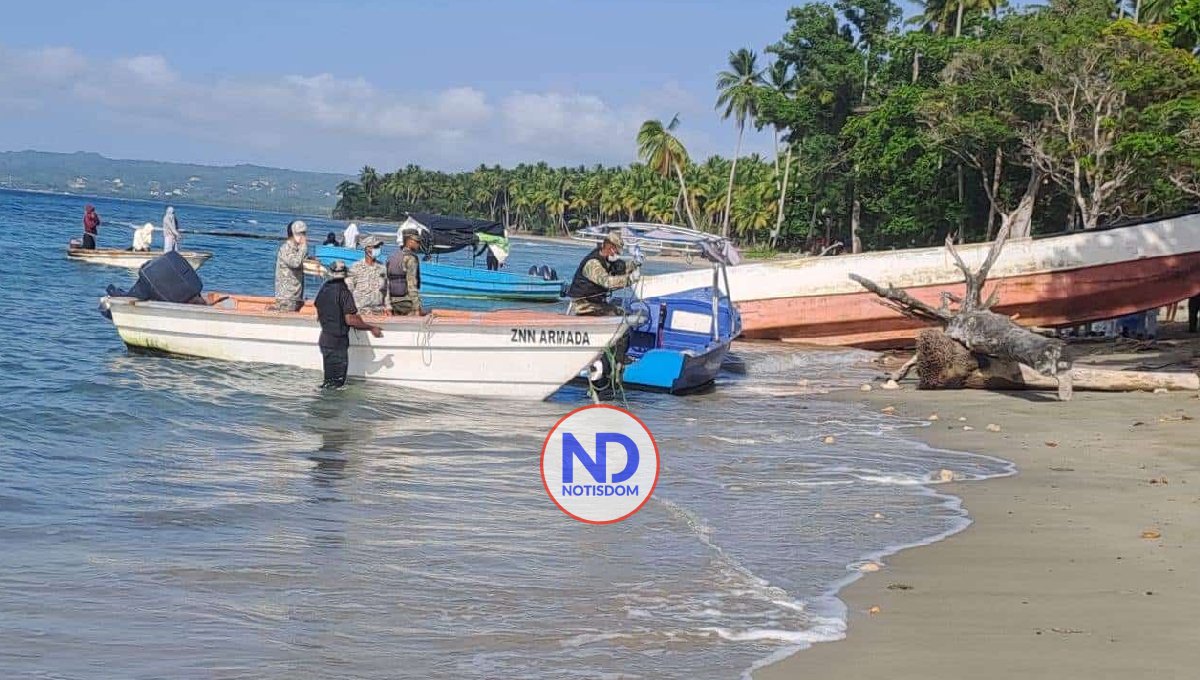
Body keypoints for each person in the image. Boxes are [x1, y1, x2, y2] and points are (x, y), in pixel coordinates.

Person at [314, 259, 383, 389]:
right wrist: (371, 327)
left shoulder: (324, 289)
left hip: (325, 339)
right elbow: (350, 320)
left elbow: (319, 308)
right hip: (337, 342)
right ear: (345, 274)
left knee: (328, 381)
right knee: (337, 385)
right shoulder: (344, 292)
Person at [566, 233, 641, 316]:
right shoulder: (593, 263)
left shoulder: (608, 260)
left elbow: (622, 268)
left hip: (597, 303)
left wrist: (635, 264)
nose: (617, 255)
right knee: (616, 315)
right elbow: (607, 282)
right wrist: (629, 279)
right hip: (583, 306)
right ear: (610, 248)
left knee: (623, 312)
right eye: (617, 252)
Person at [272, 220, 308, 311]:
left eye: (304, 233)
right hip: (287, 297)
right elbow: (295, 263)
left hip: (295, 296)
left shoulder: (297, 249)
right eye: (301, 233)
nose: (304, 236)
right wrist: (304, 247)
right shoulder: (286, 248)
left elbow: (300, 263)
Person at [386, 228, 424, 316]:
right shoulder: (411, 258)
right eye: (417, 242)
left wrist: (387, 303)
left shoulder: (392, 256)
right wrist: (417, 307)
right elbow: (412, 285)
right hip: (405, 301)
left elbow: (386, 282)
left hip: (392, 301)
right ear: (409, 241)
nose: (419, 244)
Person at [347, 235, 387, 312]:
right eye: (375, 247)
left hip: (379, 310)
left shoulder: (382, 268)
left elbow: (386, 290)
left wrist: (388, 307)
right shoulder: (356, 267)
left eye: (378, 247)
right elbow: (349, 289)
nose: (377, 249)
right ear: (367, 249)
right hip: (361, 310)